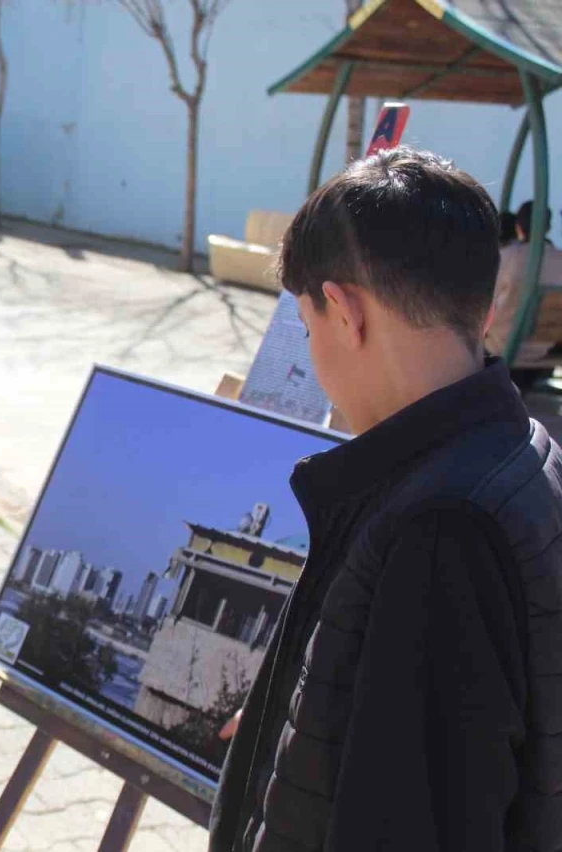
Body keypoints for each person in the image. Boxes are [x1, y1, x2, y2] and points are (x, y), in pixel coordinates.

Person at [210, 147, 562, 851]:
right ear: (486, 304)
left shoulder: (439, 529)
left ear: (344, 313)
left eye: (307, 328)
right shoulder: (520, 452)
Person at [486, 199, 562, 387]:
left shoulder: (508, 257)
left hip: (502, 344)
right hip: (543, 347)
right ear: (548, 227)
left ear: (518, 226)